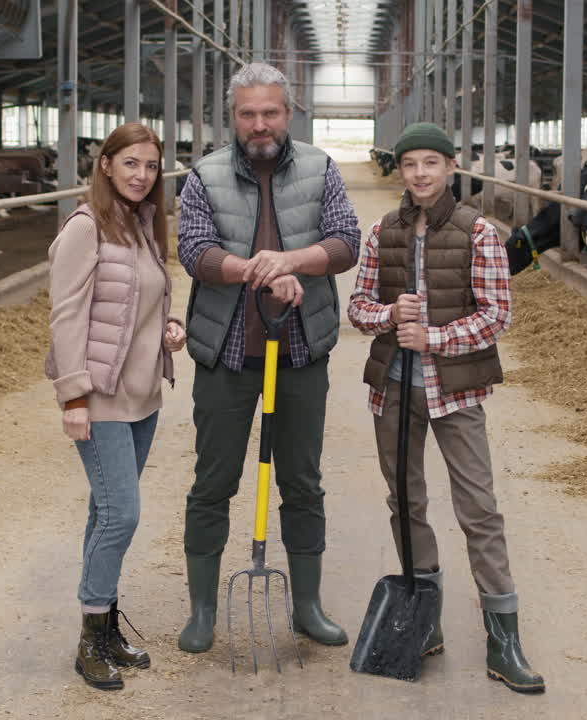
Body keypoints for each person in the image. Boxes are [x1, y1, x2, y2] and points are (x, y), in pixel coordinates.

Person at [347, 122, 545, 694]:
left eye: (431, 163)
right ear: (400, 171)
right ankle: (423, 619)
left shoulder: (480, 233)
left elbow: (496, 315)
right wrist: (389, 316)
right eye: (411, 165)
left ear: (450, 167)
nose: (421, 174)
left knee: (478, 506)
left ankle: (503, 639)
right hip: (393, 390)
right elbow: (359, 306)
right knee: (405, 500)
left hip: (455, 391)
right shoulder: (380, 231)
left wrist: (433, 337)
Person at [174, 62, 361, 653]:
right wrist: (252, 268)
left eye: (270, 112)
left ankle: (307, 605)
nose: (260, 124)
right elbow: (194, 250)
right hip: (226, 357)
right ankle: (202, 610)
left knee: (303, 482)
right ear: (234, 116)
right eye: (248, 114)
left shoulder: (320, 168)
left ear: (289, 112)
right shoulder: (203, 175)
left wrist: (293, 261)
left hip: (302, 352)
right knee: (213, 482)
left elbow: (345, 241)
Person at [46, 122, 187, 691]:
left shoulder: (144, 223)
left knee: (104, 513)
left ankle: (103, 628)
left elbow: (143, 298)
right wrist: (74, 395)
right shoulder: (86, 228)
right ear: (105, 165)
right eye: (130, 163)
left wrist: (168, 328)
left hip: (142, 395)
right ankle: (89, 639)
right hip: (100, 396)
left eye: (150, 166)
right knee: (122, 514)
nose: (141, 175)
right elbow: (68, 316)